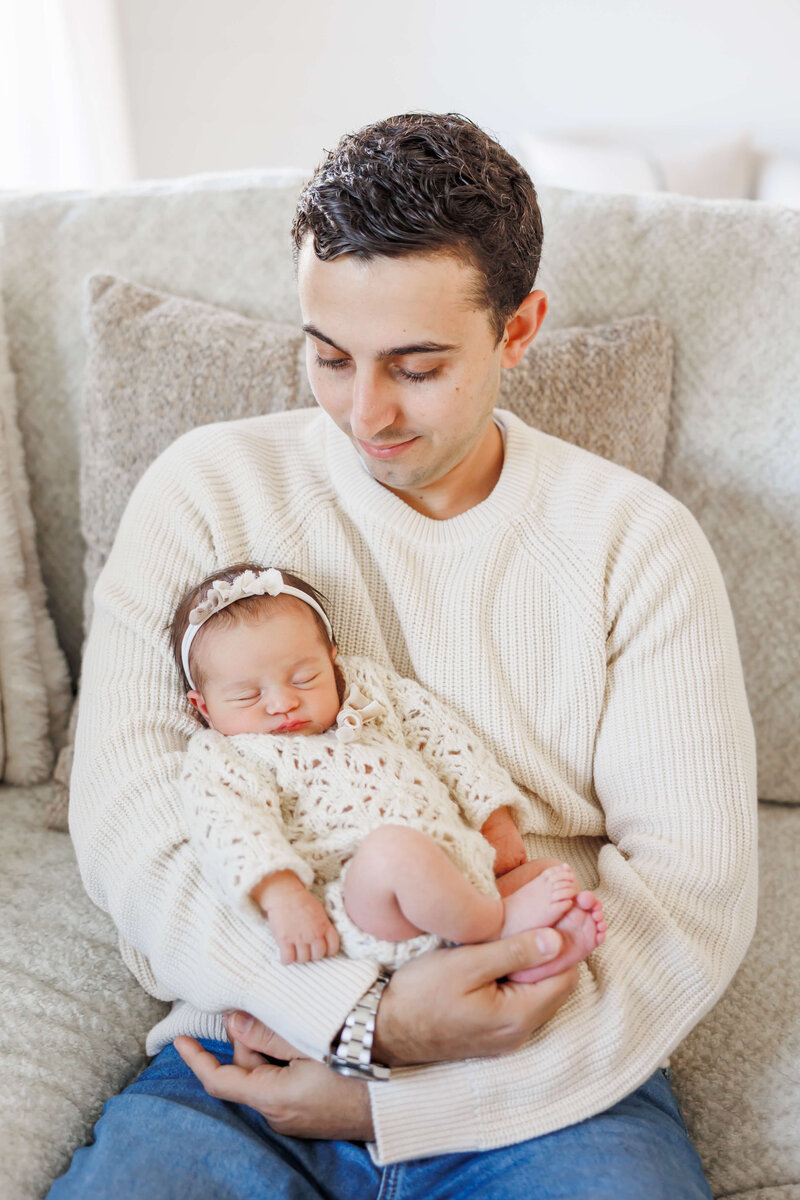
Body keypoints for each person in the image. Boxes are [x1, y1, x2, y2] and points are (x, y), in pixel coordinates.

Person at [52, 112, 756, 1198]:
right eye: (328, 357)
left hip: (544, 1077)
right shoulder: (204, 492)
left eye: (416, 367)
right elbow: (130, 827)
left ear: (518, 330)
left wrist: (396, 1093)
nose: (363, 414)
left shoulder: (636, 544)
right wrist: (359, 1020)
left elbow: (689, 898)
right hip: (255, 1048)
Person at [171, 562, 606, 975]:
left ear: (333, 661)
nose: (283, 703)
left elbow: (444, 741)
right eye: (248, 696)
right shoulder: (225, 756)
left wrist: (494, 818)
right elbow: (230, 826)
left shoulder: (369, 690)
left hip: (461, 878)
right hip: (366, 905)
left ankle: (521, 961)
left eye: (305, 678)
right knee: (392, 851)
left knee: (551, 874)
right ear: (204, 707)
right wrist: (282, 895)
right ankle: (498, 924)